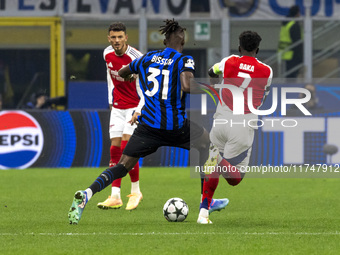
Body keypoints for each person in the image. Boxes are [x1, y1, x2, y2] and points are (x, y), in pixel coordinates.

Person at [68, 19, 215, 225]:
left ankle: (87, 193)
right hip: (176, 127)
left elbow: (122, 72)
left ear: (164, 40)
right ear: (182, 41)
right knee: (207, 143)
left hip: (148, 128)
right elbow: (187, 86)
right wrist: (212, 88)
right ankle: (205, 206)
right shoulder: (184, 59)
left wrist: (132, 76)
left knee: (122, 165)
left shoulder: (147, 58)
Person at [197, 31, 273, 223]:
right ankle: (217, 159)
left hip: (221, 119)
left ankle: (203, 213)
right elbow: (263, 97)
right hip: (243, 124)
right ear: (258, 49)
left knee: (212, 165)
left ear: (239, 48)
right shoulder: (267, 71)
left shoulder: (229, 61)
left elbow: (211, 72)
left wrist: (217, 87)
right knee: (235, 178)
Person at [96, 22, 144, 211]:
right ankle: (115, 195)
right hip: (117, 107)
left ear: (126, 38)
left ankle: (136, 191)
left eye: (120, 37)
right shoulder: (106, 53)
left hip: (134, 107)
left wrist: (139, 109)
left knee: (127, 148)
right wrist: (110, 99)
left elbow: (146, 89)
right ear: (109, 38)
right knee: (115, 150)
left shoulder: (136, 58)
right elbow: (110, 77)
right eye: (113, 37)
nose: (116, 41)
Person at [278, 5, 303, 79]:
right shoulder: (294, 25)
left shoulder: (285, 24)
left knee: (287, 77)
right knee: (292, 77)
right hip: (293, 55)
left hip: (284, 53)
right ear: (297, 13)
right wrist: (301, 57)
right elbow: (297, 42)